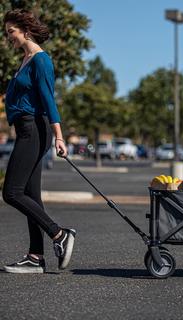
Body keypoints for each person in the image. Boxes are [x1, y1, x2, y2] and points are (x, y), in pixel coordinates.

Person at [2, 9, 76, 273]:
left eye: (11, 32)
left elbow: (48, 99)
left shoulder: (41, 60)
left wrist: (59, 135)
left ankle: (59, 235)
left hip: (35, 129)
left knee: (11, 192)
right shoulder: (26, 59)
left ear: (25, 30)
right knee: (30, 195)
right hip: (26, 129)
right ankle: (36, 257)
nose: (8, 36)